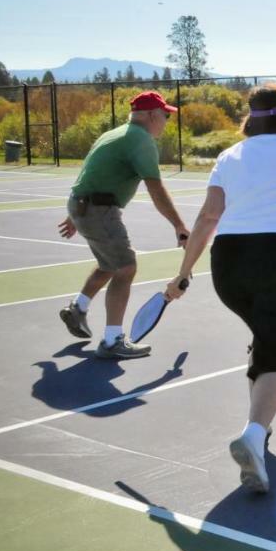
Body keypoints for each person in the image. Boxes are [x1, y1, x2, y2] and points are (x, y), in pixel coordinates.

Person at [165, 83, 276, 494]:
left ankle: (259, 437)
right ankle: (252, 433)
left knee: (265, 340)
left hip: (228, 266)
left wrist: (183, 273)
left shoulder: (229, 156)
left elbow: (209, 217)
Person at [57, 90, 189, 359]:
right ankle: (112, 341)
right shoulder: (141, 140)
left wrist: (76, 214)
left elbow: (91, 172)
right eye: (165, 115)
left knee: (110, 264)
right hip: (98, 209)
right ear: (152, 115)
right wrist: (178, 225)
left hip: (83, 204)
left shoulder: (113, 134)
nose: (166, 121)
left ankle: (78, 308)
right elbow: (156, 188)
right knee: (125, 267)